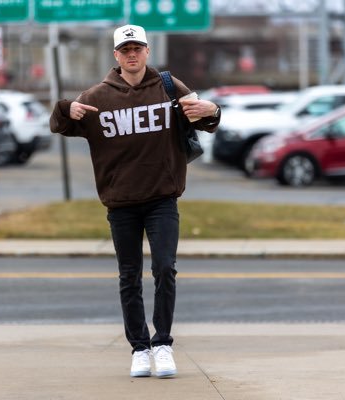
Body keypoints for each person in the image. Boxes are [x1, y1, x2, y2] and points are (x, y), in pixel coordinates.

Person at [49, 24, 221, 378]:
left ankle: (162, 344)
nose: (131, 54)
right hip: (121, 202)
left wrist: (212, 109)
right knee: (129, 276)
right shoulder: (98, 96)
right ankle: (140, 348)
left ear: (147, 52)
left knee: (164, 268)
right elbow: (60, 124)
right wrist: (66, 108)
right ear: (116, 56)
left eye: (137, 48)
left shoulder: (169, 88)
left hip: (162, 199)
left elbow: (207, 121)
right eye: (125, 49)